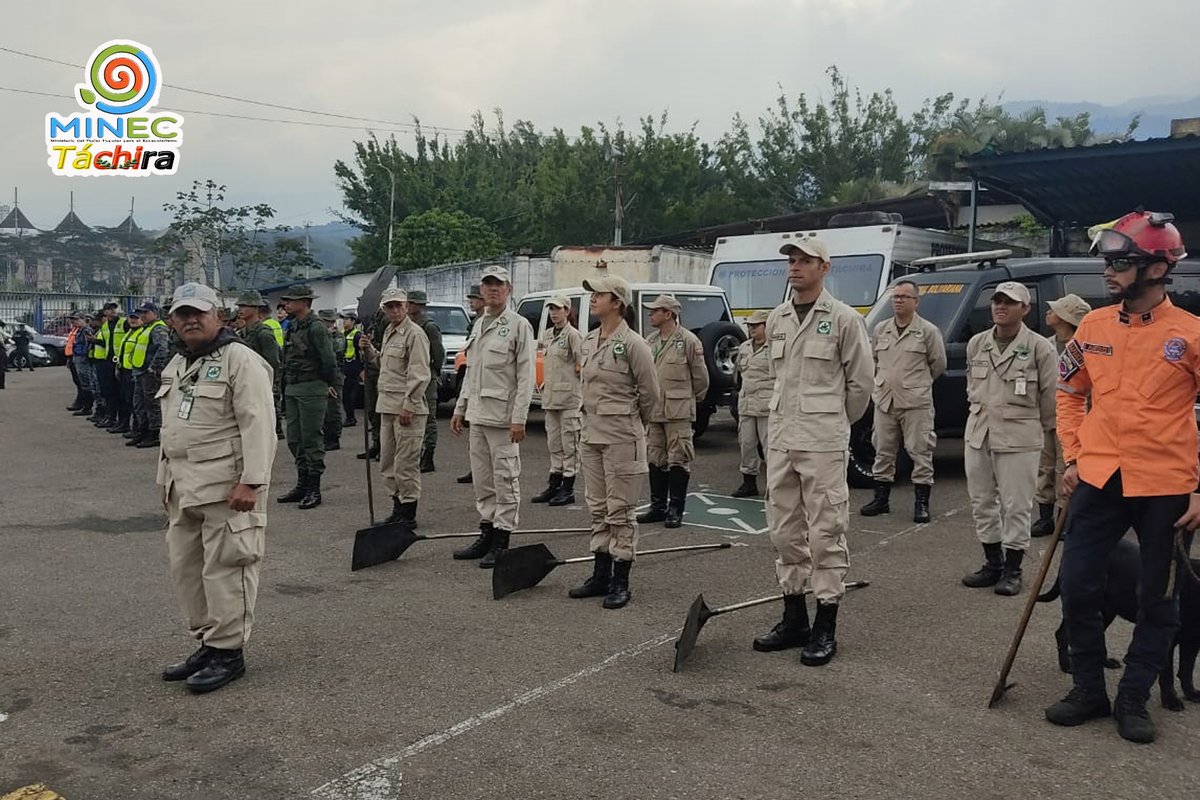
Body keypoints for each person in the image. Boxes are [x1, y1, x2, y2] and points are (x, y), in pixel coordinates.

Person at [1046, 210, 1199, 744]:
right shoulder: (1092, 326)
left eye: (1122, 262)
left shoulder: (1191, 334)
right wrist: (1072, 458)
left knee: (1158, 599)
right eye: (1109, 262)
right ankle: (1089, 688)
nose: (1109, 272)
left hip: (1167, 487)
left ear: (1157, 267)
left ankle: (1134, 698)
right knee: (1078, 587)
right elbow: (1068, 394)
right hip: (1098, 479)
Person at [753, 237, 873, 666]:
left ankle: (825, 624)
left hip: (822, 443)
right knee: (784, 531)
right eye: (792, 260)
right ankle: (793, 617)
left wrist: (835, 426)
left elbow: (860, 385)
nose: (795, 267)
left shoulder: (842, 319)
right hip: (783, 440)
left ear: (825, 267)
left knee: (826, 533)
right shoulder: (779, 317)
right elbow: (775, 375)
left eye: (805, 261)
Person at [156, 282, 276, 694]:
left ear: (218, 316)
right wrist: (164, 479)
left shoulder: (240, 360)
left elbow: (259, 424)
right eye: (182, 314)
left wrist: (253, 481)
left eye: (199, 313)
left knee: (228, 569)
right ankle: (208, 642)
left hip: (227, 488)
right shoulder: (178, 363)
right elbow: (171, 428)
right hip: (184, 488)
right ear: (172, 321)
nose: (191, 320)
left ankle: (229, 652)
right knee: (188, 571)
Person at [960, 281, 1057, 596]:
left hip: (1020, 436)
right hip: (979, 433)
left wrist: (1038, 431)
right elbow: (971, 387)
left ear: (1025, 309)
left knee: (1016, 505)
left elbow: (1050, 399)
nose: (1000, 306)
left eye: (1010, 302)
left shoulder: (1040, 347)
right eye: (997, 301)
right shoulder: (978, 343)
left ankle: (1014, 569)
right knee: (982, 501)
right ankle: (993, 564)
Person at [569, 277, 660, 608]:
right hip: (591, 434)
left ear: (618, 302)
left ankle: (620, 580)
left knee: (620, 509)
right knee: (598, 507)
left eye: (599, 295)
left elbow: (651, 396)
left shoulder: (635, 344)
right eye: (592, 294)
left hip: (622, 435)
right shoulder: (590, 340)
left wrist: (635, 427)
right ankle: (600, 574)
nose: (592, 299)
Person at [450, 265, 536, 568]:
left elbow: (526, 377)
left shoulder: (518, 325)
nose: (492, 290)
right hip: (478, 414)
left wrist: (520, 419)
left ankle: (502, 539)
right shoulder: (479, 323)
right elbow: (472, 372)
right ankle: (486, 532)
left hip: (502, 418)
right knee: (484, 481)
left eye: (498, 285)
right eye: (487, 285)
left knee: (505, 479)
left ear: (508, 289)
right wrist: (460, 408)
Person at [860, 280, 948, 523]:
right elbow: (875, 359)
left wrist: (917, 383)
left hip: (915, 401)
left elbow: (938, 364)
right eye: (895, 297)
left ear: (915, 301)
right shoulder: (881, 329)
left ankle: (921, 503)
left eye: (903, 297)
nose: (898, 300)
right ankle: (881, 499)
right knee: (883, 450)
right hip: (885, 400)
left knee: (920, 451)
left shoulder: (928, 331)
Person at [637, 294, 709, 528]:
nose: (650, 314)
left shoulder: (688, 340)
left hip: (678, 411)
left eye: (655, 311)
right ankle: (658, 506)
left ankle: (675, 509)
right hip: (655, 411)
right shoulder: (650, 341)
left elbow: (700, 378)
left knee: (678, 459)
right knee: (656, 458)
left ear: (668, 314)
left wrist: (691, 402)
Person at [361, 288, 431, 526]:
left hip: (406, 410)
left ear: (407, 306)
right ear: (384, 309)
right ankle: (397, 507)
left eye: (398, 305)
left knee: (406, 464)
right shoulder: (391, 331)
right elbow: (385, 365)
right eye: (390, 306)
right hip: (387, 407)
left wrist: (409, 405)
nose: (395, 310)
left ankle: (408, 515)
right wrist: (368, 350)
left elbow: (420, 373)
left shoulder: (415, 334)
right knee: (388, 463)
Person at [1030, 293, 1092, 537]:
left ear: (1067, 318)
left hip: (1075, 418)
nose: (1048, 312)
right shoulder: (1044, 344)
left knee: (1064, 468)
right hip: (1045, 415)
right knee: (1044, 466)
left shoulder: (1083, 345)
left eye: (1055, 310)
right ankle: (1045, 515)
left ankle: (1064, 517)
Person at [277, 285, 337, 510]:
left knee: (311, 438)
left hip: (312, 386)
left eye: (291, 301)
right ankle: (302, 483)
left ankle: (314, 488)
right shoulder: (293, 326)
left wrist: (328, 384)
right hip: (293, 387)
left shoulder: (316, 327)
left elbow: (328, 360)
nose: (286, 305)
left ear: (304, 302)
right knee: (294, 438)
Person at [531, 296, 584, 507]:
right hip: (551, 398)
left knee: (569, 444)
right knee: (554, 444)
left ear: (567, 311)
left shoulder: (574, 336)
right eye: (551, 309)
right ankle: (554, 483)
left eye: (558, 309)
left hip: (569, 399)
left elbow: (582, 366)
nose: (554, 313)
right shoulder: (548, 335)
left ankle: (568, 487)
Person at [732, 310, 772, 497]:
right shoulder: (744, 347)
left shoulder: (774, 347)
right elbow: (740, 371)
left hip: (767, 406)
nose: (751, 329)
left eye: (756, 326)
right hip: (747, 404)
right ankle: (749, 482)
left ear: (767, 325)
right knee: (746, 444)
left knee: (770, 448)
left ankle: (775, 486)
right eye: (749, 326)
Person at [407, 290, 445, 473]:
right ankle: (417, 453)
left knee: (428, 416)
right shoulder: (408, 324)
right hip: (410, 374)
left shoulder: (428, 326)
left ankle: (428, 455)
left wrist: (434, 371)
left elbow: (439, 353)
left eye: (411, 303)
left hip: (427, 374)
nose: (408, 306)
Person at [128, 302, 171, 449]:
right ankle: (142, 431)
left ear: (154, 312)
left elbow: (163, 349)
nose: (142, 316)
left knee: (151, 404)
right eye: (141, 313)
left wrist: (154, 368)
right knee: (139, 403)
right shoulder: (145, 328)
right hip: (140, 372)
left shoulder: (158, 328)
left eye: (145, 313)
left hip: (149, 373)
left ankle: (153, 435)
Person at [456, 284, 487, 485]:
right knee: (475, 435)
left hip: (488, 385)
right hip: (472, 378)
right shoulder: (475, 323)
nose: (471, 301)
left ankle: (482, 471)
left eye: (474, 297)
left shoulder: (487, 321)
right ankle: (475, 468)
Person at [234, 291, 282, 420]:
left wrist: (268, 388)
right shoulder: (241, 333)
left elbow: (273, 364)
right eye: (239, 306)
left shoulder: (264, 334)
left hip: (261, 386)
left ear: (255, 308)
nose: (240, 310)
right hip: (244, 384)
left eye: (244, 306)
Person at [357, 307, 388, 463]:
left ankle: (384, 446)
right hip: (371, 367)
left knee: (381, 411)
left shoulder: (386, 320)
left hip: (382, 368)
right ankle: (376, 443)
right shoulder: (370, 321)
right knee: (371, 409)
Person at [110, 311, 144, 436]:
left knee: (135, 402)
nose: (133, 320)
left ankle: (137, 428)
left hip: (134, 371)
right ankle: (125, 424)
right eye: (131, 318)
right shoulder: (130, 332)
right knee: (125, 399)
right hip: (124, 369)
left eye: (136, 318)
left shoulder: (141, 333)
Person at [317, 309, 346, 452]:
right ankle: (326, 436)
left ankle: (333, 438)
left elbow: (337, 352)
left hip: (335, 374)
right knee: (325, 409)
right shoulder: (323, 335)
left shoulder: (337, 336)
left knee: (333, 408)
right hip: (325, 374)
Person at [340, 312, 363, 427]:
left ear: (353, 321)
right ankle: (350, 416)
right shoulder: (342, 334)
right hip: (344, 365)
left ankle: (351, 417)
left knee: (350, 394)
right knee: (345, 394)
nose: (344, 321)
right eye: (343, 319)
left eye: (347, 319)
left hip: (353, 366)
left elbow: (361, 353)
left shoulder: (357, 335)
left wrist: (362, 369)